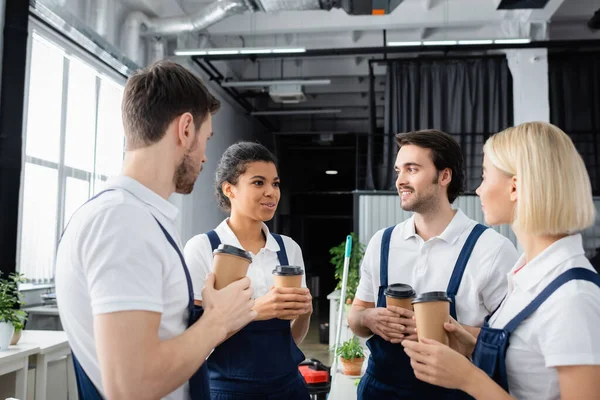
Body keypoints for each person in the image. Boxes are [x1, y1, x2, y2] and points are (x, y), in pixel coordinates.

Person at [55, 60, 256, 400]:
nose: (206, 157)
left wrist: (209, 316)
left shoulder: (134, 216)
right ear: (186, 129)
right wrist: (217, 322)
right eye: (206, 138)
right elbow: (132, 385)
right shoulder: (122, 222)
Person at [402, 122, 600, 400]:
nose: (479, 190)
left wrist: (468, 378)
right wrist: (471, 347)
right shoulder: (528, 274)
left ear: (515, 188)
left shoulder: (572, 298)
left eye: (485, 176)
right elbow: (529, 367)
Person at [348, 129, 519, 399]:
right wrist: (368, 318)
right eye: (398, 171)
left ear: (444, 176)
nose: (400, 181)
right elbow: (355, 317)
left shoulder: (492, 250)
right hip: (378, 389)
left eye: (412, 169)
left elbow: (511, 343)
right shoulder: (382, 242)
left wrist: (448, 331)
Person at [184, 142, 312, 400]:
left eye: (275, 184)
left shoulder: (288, 249)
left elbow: (292, 338)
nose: (271, 192)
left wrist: (305, 313)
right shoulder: (202, 248)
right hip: (227, 391)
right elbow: (194, 343)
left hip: (289, 388)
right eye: (258, 183)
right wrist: (255, 311)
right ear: (229, 189)